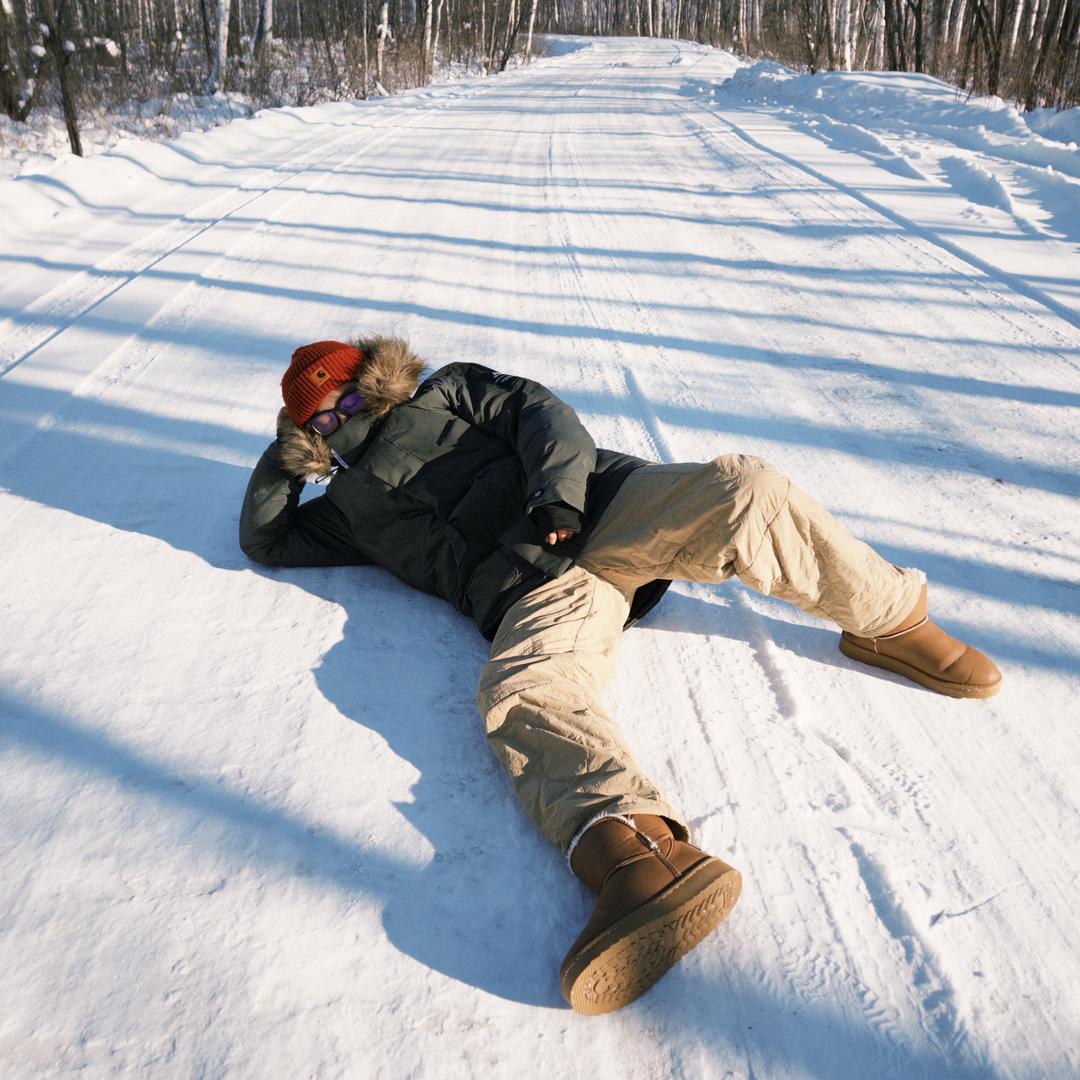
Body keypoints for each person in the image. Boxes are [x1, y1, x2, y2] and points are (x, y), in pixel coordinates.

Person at [239, 337, 1001, 1015]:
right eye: (321, 421)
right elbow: (268, 540)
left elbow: (546, 419)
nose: (339, 418)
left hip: (601, 510)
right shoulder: (345, 509)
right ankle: (636, 855)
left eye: (345, 397)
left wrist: (556, 496)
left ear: (377, 381)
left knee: (747, 490)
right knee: (522, 692)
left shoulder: (449, 390)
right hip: (542, 596)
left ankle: (891, 619)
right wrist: (285, 458)